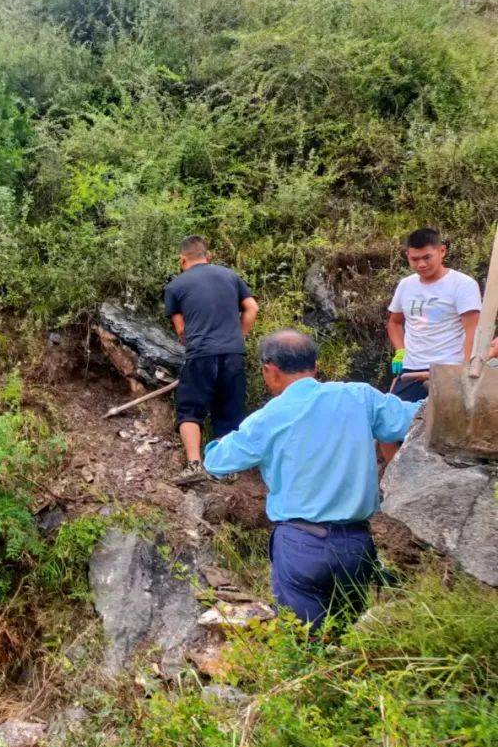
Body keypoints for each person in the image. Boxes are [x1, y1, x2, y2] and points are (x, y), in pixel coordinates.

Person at [204, 330, 420, 631]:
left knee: (304, 640)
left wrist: (213, 443)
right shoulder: (360, 397)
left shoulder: (268, 418)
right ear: (315, 366)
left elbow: (217, 462)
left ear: (270, 370)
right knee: (347, 638)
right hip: (355, 546)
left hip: (300, 545)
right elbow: (416, 418)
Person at [164, 236, 259, 485]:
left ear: (182, 259)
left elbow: (181, 329)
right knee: (229, 412)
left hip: (201, 355)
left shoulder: (175, 286)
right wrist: (239, 336)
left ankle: (195, 465)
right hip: (233, 354)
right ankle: (224, 469)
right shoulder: (230, 276)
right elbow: (252, 308)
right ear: (209, 256)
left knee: (189, 411)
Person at [387, 228, 481, 402]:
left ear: (442, 251)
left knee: (448, 424)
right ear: (407, 255)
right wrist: (400, 351)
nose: (421, 264)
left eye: (427, 257)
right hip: (411, 370)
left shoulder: (462, 285)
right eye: (414, 259)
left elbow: (473, 330)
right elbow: (395, 322)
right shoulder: (406, 285)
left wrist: (466, 370)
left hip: (448, 369)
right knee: (397, 421)